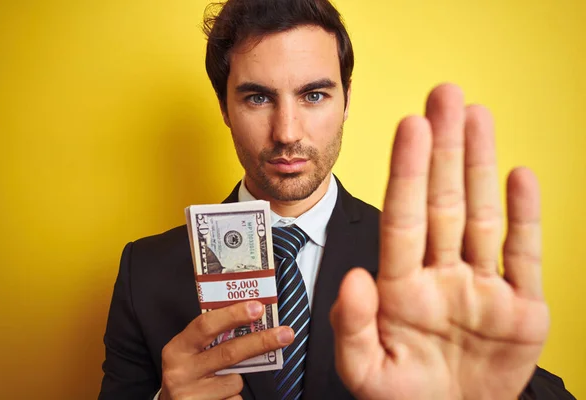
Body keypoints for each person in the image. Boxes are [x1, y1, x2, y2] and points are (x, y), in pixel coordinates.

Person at [98, 0, 576, 399]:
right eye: (257, 98)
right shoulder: (145, 271)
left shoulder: (428, 265)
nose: (286, 133)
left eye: (314, 95)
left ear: (346, 98)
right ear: (224, 106)